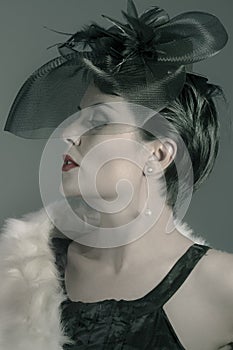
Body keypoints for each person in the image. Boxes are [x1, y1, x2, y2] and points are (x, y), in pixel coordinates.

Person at [0, 1, 232, 349]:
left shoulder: (224, 286)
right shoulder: (18, 274)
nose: (67, 133)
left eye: (97, 121)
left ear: (158, 154)